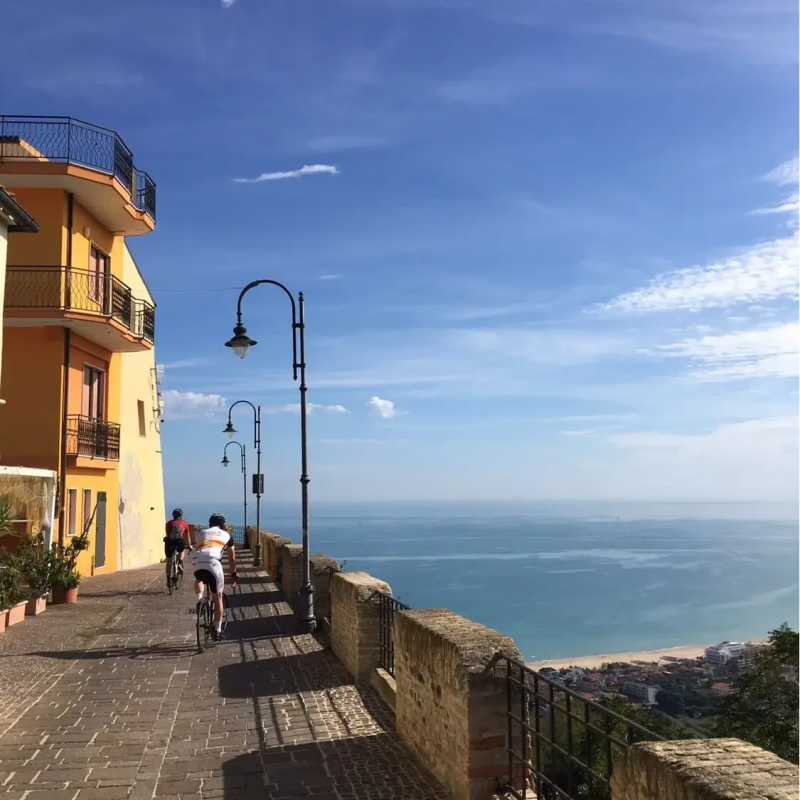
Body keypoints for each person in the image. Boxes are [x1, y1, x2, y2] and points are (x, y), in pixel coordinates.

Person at [193, 512, 237, 640]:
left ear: (210, 523)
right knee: (218, 598)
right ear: (222, 524)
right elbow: (232, 558)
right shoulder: (227, 535)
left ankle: (200, 599)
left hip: (197, 562)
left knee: (199, 579)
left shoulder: (201, 533)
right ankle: (217, 630)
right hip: (214, 563)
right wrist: (234, 573)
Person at [164, 508, 191, 581]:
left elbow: (167, 533)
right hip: (180, 540)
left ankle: (168, 579)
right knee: (182, 550)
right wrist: (189, 545)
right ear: (181, 516)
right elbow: (187, 537)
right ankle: (180, 561)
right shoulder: (185, 524)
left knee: (169, 561)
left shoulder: (168, 523)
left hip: (169, 540)